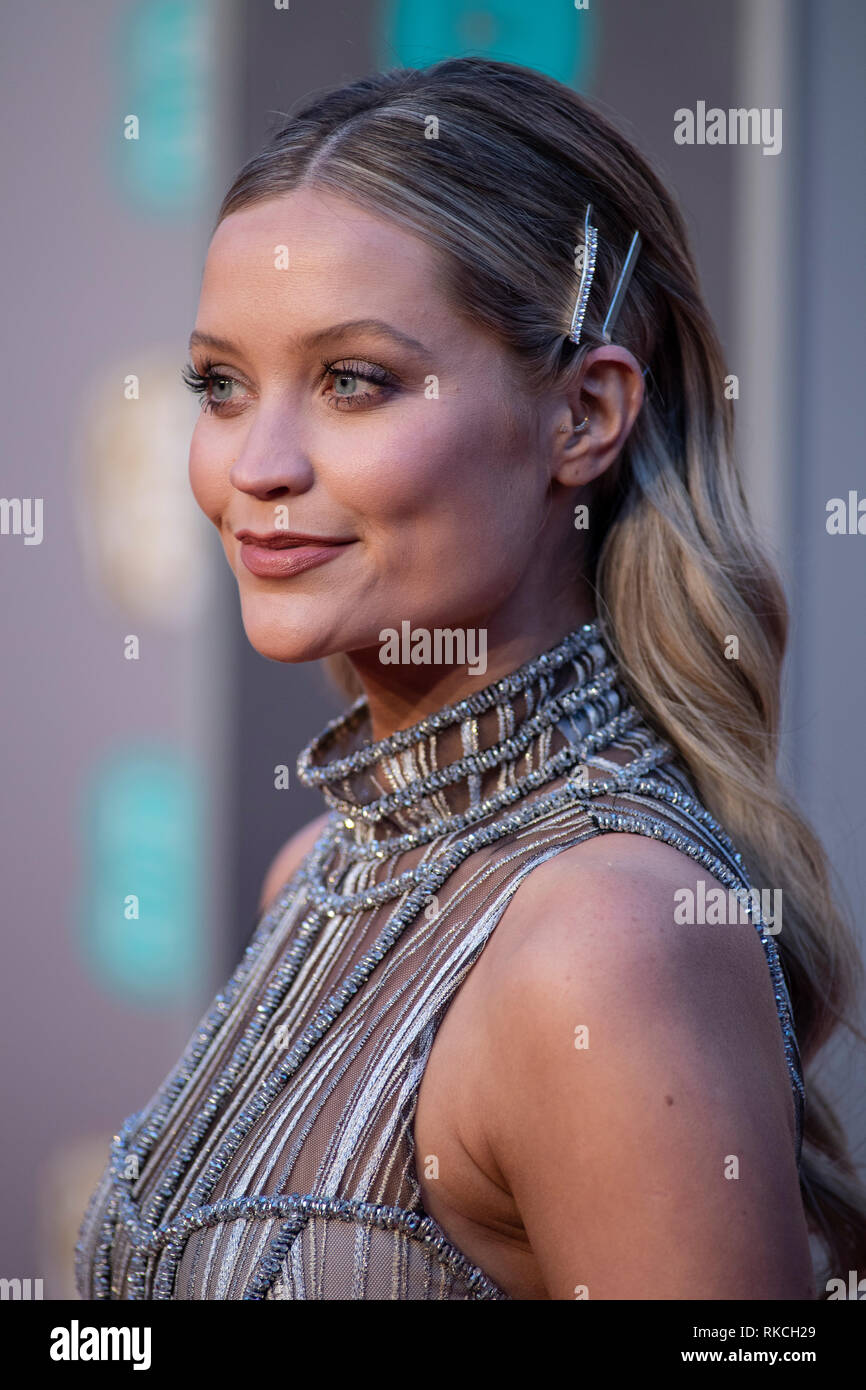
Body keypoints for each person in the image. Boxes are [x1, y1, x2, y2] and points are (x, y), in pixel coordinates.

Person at [76, 56, 865, 1301]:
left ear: (581, 419)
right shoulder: (316, 871)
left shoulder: (603, 940)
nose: (256, 465)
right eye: (221, 385)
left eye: (354, 380)